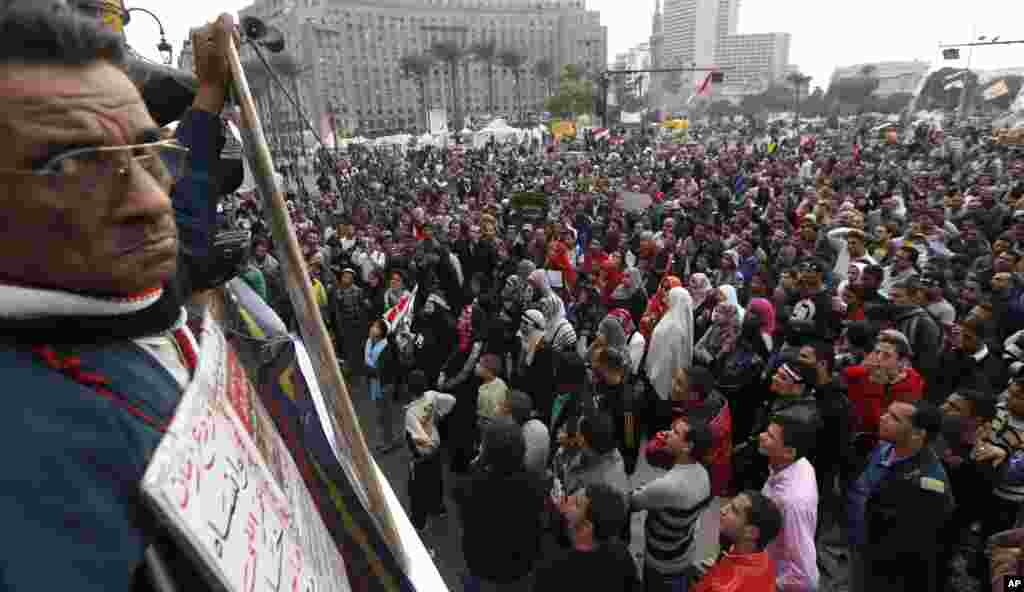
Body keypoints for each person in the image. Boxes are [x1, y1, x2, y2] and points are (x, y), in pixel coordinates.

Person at [0, 7, 232, 590]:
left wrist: (207, 101)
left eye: (148, 152)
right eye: (78, 167)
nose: (152, 202)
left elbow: (184, 239)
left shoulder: (113, 281)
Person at [847, 401, 953, 592]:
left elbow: (916, 545)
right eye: (887, 412)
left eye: (894, 418)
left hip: (887, 569)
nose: (882, 418)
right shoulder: (884, 448)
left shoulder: (928, 483)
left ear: (918, 434)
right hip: (861, 546)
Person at [454, 417, 547, 592]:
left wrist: (476, 465)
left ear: (487, 452)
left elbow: (464, 518)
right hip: (520, 568)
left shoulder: (473, 486)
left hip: (483, 567)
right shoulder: (535, 483)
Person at [630, 417, 713, 592]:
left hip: (661, 562)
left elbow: (633, 501)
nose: (667, 434)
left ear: (687, 447)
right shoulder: (703, 474)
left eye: (675, 432)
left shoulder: (667, 486)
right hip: (684, 551)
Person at [533, 482, 638, 592]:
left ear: (587, 527)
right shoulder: (622, 555)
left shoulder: (552, 568)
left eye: (576, 504)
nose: (568, 499)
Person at [757, 416, 820, 592]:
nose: (761, 436)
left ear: (789, 452)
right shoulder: (796, 464)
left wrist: (766, 586)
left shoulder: (792, 503)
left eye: (770, 436)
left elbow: (805, 577)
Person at [691, 491, 783, 592]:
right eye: (730, 504)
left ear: (751, 532)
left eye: (734, 511)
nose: (723, 510)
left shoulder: (723, 587)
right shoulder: (765, 559)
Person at [404, 370, 456, 532]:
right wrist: (439, 415)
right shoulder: (431, 395)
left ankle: (419, 521)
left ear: (408, 389)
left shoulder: (411, 412)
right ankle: (438, 508)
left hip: (421, 455)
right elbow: (451, 400)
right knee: (436, 480)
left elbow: (414, 437)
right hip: (436, 447)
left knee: (417, 489)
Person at [366, 318, 400, 453]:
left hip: (384, 385)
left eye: (376, 327)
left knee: (386, 415)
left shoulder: (385, 348)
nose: (372, 328)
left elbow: (382, 370)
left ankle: (389, 442)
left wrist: (370, 370)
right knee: (381, 415)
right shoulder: (372, 344)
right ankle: (386, 440)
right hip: (377, 384)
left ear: (381, 332)